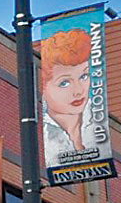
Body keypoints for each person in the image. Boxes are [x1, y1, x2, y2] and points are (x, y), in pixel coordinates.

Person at [39, 28, 93, 170]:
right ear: (44, 87)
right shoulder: (41, 132)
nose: (78, 91)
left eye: (83, 76)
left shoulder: (96, 120)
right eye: (64, 83)